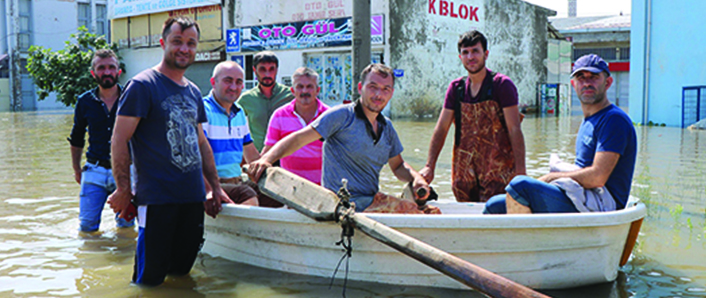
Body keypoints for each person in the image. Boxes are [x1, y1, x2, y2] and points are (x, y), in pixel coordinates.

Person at [107, 17, 224, 286]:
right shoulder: (143, 85)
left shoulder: (194, 91)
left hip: (192, 199)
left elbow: (201, 143)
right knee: (150, 280)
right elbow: (119, 139)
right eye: (177, 42)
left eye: (191, 43)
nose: (184, 49)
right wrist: (123, 189)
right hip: (157, 200)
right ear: (163, 43)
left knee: (182, 273)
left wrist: (215, 187)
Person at [247, 63, 438, 215]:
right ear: (361, 88)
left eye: (385, 89)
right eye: (373, 87)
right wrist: (266, 160)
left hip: (370, 200)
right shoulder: (341, 116)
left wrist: (417, 178)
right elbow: (298, 139)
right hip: (340, 205)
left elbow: (398, 167)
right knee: (417, 214)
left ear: (392, 93)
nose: (378, 94)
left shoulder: (386, 127)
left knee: (428, 209)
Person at [484, 54, 637, 215]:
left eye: (594, 77)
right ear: (573, 84)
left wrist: (552, 177)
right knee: (494, 205)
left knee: (519, 185)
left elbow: (597, 178)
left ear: (608, 83)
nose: (587, 83)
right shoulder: (589, 120)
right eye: (581, 78)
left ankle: (527, 239)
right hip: (583, 195)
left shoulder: (613, 120)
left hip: (602, 203)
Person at [419, 30, 526, 203]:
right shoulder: (456, 89)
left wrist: (521, 172)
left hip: (498, 175)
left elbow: (514, 129)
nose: (471, 57)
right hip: (464, 177)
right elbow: (441, 129)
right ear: (460, 57)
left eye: (475, 51)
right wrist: (429, 166)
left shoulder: (502, 85)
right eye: (465, 52)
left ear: (486, 54)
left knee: (494, 216)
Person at [68, 49, 135, 232]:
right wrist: (76, 170)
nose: (107, 72)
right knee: (87, 228)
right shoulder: (84, 101)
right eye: (101, 68)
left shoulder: (130, 99)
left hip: (124, 171)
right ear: (93, 73)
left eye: (111, 67)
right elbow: (77, 137)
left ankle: (123, 260)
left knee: (126, 227)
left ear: (118, 71)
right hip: (94, 169)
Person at [202, 60, 259, 205]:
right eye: (228, 81)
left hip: (236, 181)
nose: (234, 87)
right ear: (213, 82)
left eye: (239, 82)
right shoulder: (202, 110)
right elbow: (195, 157)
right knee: (248, 195)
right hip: (212, 184)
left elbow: (251, 152)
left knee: (275, 197)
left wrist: (265, 170)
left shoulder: (239, 112)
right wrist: (211, 188)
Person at [263, 67, 330, 184]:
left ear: (317, 90)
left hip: (323, 189)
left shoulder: (329, 116)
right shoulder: (279, 116)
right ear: (292, 91)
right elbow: (269, 150)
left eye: (309, 86)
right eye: (300, 87)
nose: (305, 91)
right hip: (289, 189)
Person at [236, 51, 294, 153]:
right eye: (262, 69)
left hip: (287, 158)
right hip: (259, 158)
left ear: (277, 70)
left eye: (271, 69)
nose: (267, 74)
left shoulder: (290, 96)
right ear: (255, 70)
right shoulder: (246, 99)